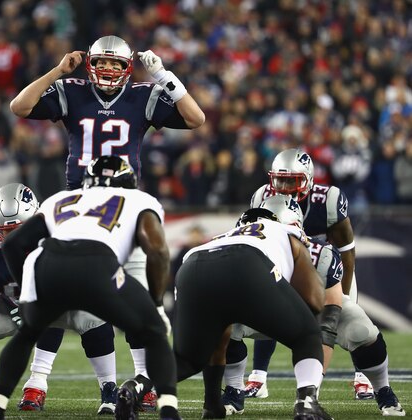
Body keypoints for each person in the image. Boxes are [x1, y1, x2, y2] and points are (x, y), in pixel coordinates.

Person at [9, 33, 205, 411]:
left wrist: (164, 75)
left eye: (117, 64)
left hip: (121, 205)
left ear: (128, 68)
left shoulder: (143, 96)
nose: (109, 69)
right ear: (90, 65)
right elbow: (20, 106)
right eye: (102, 62)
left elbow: (196, 119)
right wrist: (56, 70)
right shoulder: (71, 89)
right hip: (78, 203)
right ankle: (35, 382)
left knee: (143, 304)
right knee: (53, 297)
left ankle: (144, 381)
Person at [0, 156, 181, 420]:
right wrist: (157, 303)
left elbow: (12, 245)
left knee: (28, 333)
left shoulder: (62, 198)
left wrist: (28, 291)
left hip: (49, 264)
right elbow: (156, 250)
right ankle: (168, 411)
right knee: (154, 331)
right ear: (129, 182)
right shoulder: (139, 200)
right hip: (97, 263)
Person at [224, 195, 406, 417]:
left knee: (361, 331)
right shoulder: (245, 250)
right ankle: (234, 389)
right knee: (223, 318)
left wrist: (310, 390)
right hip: (266, 311)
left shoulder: (321, 255)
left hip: (314, 309)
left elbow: (328, 322)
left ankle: (383, 388)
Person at [0, 183, 119, 415]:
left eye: (17, 229)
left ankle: (107, 386)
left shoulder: (61, 234)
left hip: (65, 303)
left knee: (94, 314)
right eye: (2, 230)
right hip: (14, 304)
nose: (9, 237)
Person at [173, 203, 331, 420]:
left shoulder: (225, 235)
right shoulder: (285, 231)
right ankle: (306, 403)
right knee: (308, 335)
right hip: (247, 264)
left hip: (192, 266)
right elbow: (315, 300)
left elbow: (219, 341)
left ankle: (139, 386)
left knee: (187, 360)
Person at [248, 148, 373, 399]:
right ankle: (258, 378)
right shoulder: (262, 196)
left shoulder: (327, 200)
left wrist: (343, 293)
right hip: (286, 266)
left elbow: (347, 252)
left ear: (307, 179)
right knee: (268, 313)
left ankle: (364, 378)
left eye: (291, 180)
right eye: (279, 179)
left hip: (327, 268)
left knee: (349, 320)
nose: (282, 186)